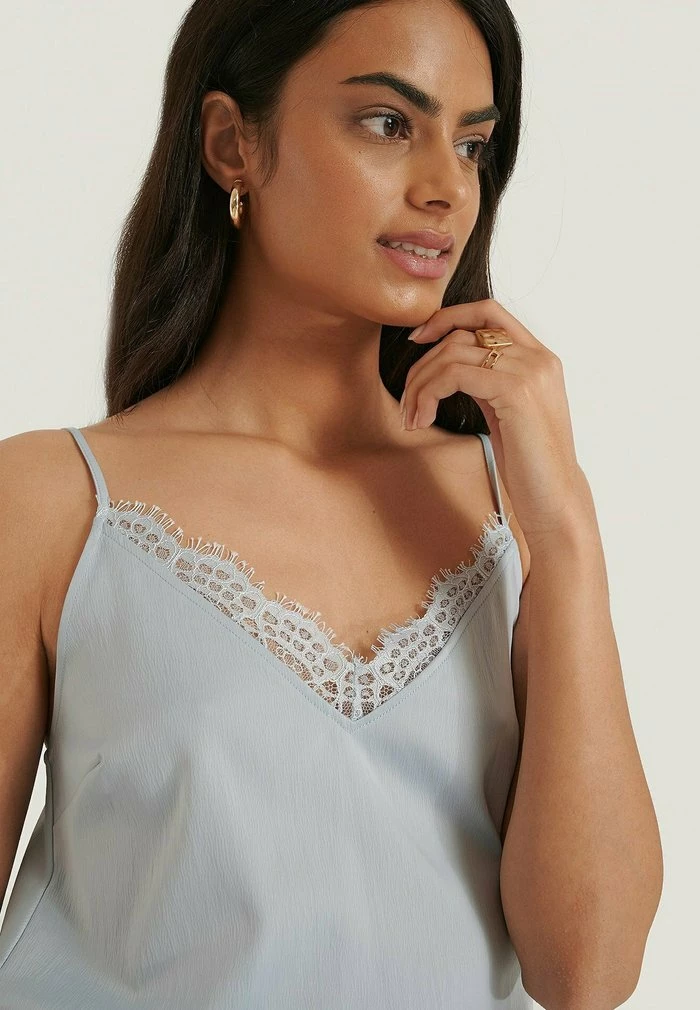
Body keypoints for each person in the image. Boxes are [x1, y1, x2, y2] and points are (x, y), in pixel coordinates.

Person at [0, 1, 662, 1008]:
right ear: (233, 143)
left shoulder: (517, 514)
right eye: (389, 123)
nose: (446, 187)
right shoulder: (55, 503)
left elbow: (588, 972)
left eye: (472, 144)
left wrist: (564, 528)